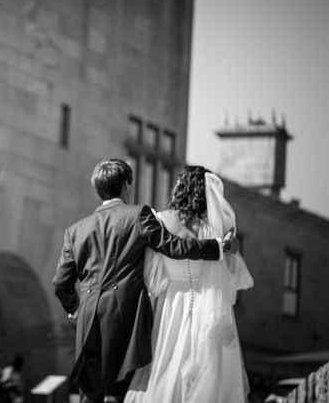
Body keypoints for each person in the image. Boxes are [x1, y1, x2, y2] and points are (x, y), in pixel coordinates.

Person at [52, 159, 239, 403]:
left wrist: (75, 308)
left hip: (87, 317)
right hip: (124, 313)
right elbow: (173, 246)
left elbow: (61, 283)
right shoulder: (138, 215)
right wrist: (215, 247)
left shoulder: (75, 230)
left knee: (91, 393)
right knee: (119, 390)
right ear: (127, 185)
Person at [124, 165, 254, 403]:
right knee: (208, 366)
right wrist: (228, 243)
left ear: (179, 188)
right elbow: (233, 264)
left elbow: (152, 277)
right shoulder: (214, 226)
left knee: (166, 363)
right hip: (208, 305)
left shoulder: (160, 221)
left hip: (171, 305)